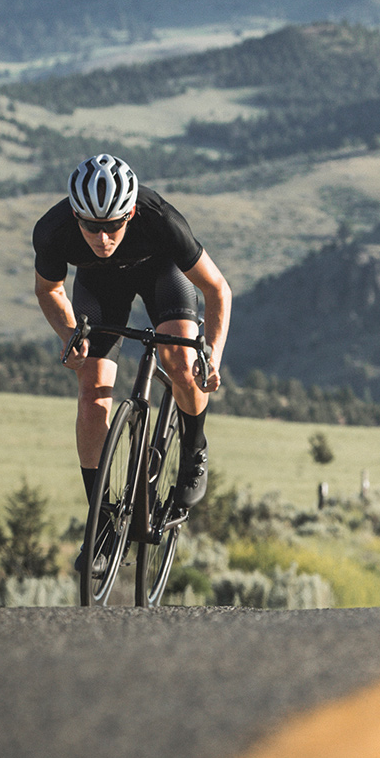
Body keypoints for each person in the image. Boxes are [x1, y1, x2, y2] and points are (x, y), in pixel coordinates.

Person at [32, 154, 230, 571]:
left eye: (114, 226)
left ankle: (194, 448)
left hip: (161, 276)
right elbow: (49, 291)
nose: (103, 239)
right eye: (91, 227)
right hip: (100, 288)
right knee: (91, 393)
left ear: (132, 212)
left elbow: (217, 290)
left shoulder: (161, 220)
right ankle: (101, 523)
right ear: (75, 215)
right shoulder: (53, 231)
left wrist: (211, 353)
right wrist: (71, 334)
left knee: (179, 358)